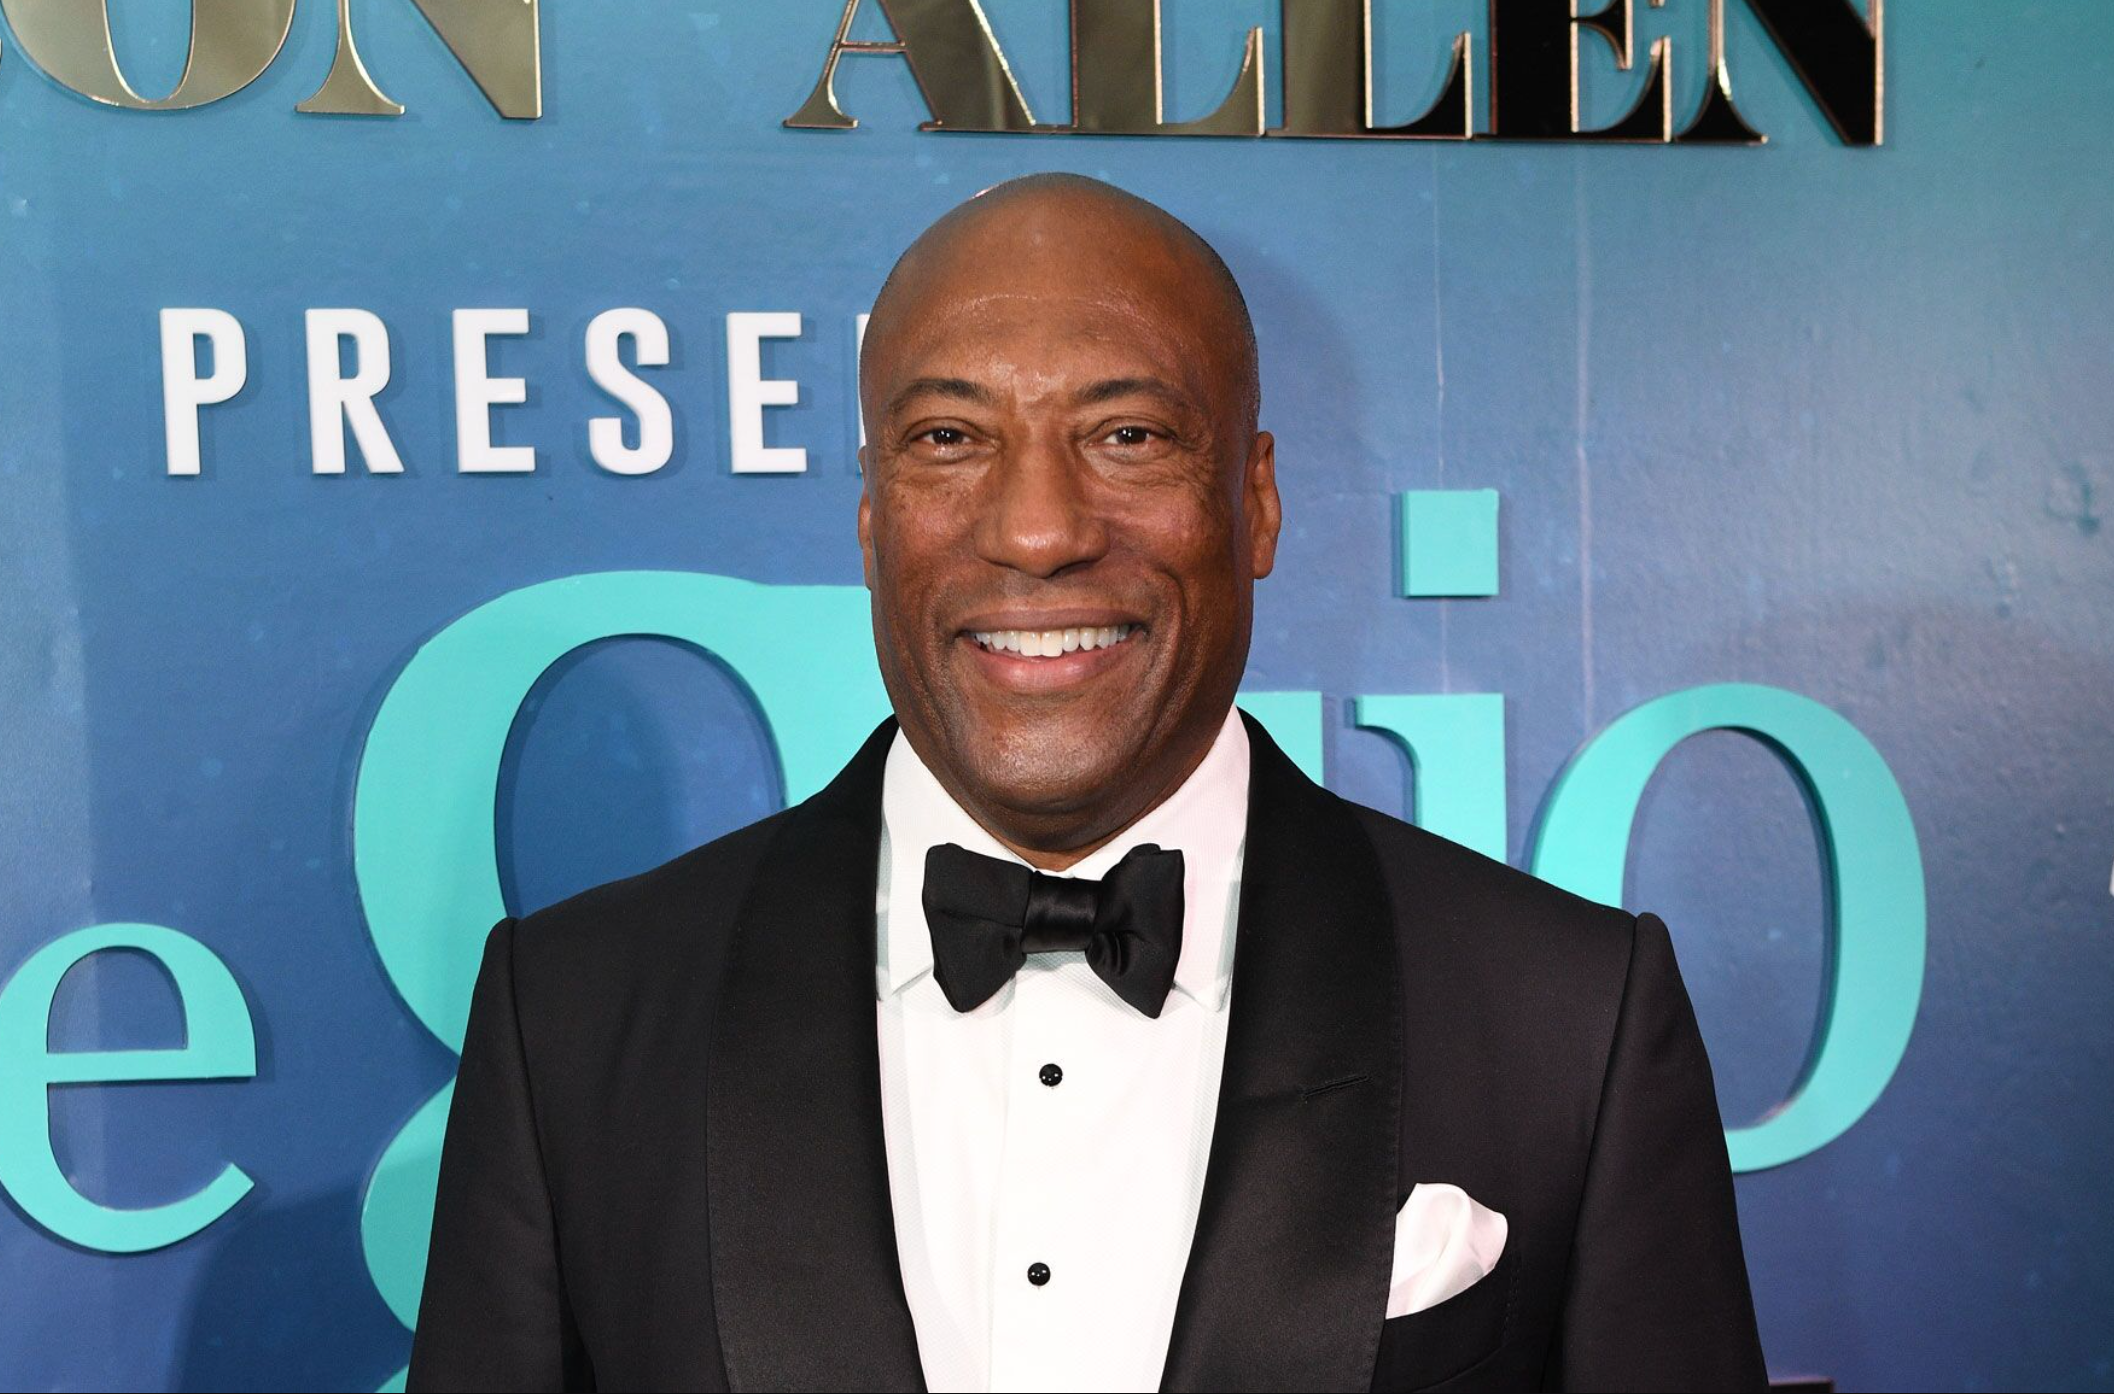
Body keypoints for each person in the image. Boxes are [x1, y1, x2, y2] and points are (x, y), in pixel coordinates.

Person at [407, 173, 1766, 1393]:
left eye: (1127, 435)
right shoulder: (576, 1017)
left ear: (1256, 500)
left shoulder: (1566, 1017)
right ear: (872, 514)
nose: (1040, 530)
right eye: (950, 438)